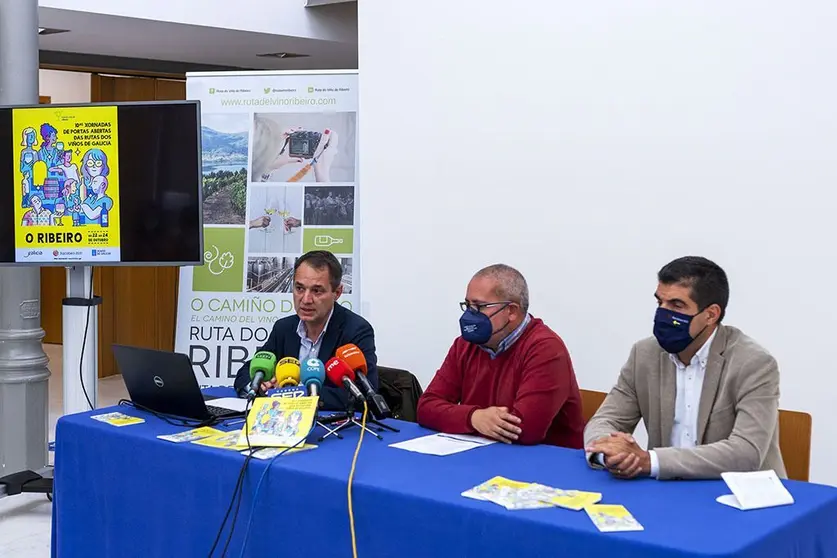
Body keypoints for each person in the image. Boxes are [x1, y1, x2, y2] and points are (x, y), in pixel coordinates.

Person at [584, 256, 786, 480]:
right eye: (660, 302)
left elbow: (746, 452)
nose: (663, 313)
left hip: (740, 495)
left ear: (711, 315)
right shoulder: (645, 354)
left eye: (676, 305)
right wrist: (611, 454)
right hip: (669, 493)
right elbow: (604, 421)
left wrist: (649, 461)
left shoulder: (753, 363)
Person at [417, 264, 584, 448]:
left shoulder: (546, 349)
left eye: (479, 306)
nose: (469, 315)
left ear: (511, 311)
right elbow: (426, 407)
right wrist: (474, 417)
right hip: (483, 456)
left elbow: (525, 430)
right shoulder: (464, 345)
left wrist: (460, 417)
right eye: (467, 305)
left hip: (546, 465)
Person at [233, 250, 378, 410]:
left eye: (317, 291)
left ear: (337, 293)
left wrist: (294, 393)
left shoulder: (355, 330)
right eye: (299, 288)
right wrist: (259, 386)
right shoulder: (284, 328)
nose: (306, 299)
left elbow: (363, 393)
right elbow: (247, 372)